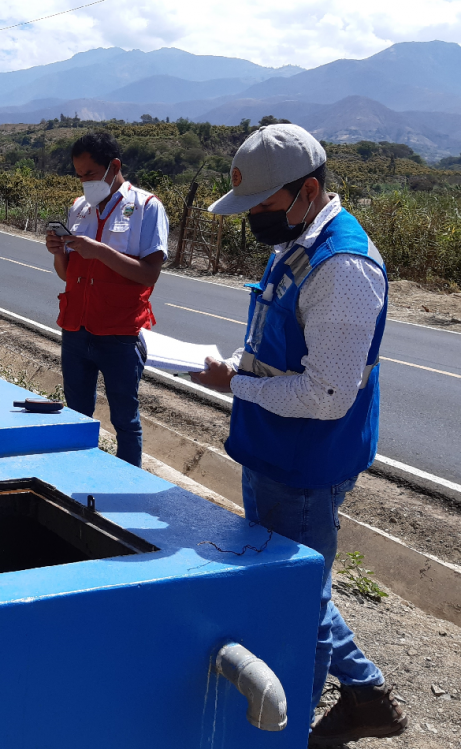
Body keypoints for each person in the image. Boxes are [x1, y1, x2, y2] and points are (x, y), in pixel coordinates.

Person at [192, 124, 407, 746]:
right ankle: (354, 698)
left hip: (307, 462)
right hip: (273, 449)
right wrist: (237, 365)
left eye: (261, 207)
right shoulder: (297, 237)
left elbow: (326, 394)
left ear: (307, 190)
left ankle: (315, 717)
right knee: (296, 586)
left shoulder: (343, 267)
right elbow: (276, 335)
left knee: (298, 600)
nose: (254, 219)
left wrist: (235, 387)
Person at [45, 131, 168, 466]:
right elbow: (66, 273)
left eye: (90, 174)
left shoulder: (146, 207)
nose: (84, 183)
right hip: (76, 329)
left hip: (119, 333)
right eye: (79, 176)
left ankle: (125, 486)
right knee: (76, 416)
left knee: (124, 422)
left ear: (114, 166)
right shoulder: (79, 208)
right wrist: (58, 252)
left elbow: (148, 274)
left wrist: (100, 252)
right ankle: (77, 478)